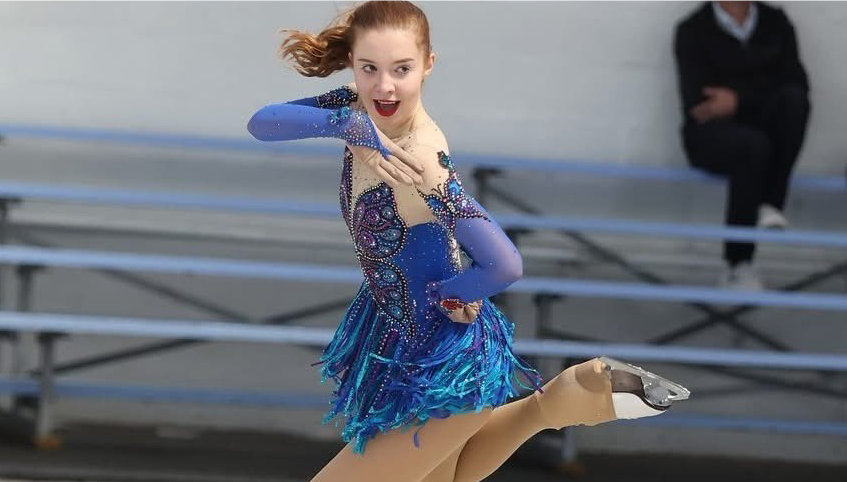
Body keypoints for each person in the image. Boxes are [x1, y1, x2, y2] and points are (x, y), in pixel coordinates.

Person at [248, 1, 690, 480]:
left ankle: (574, 397)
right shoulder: (356, 109)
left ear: (428, 64)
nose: (384, 86)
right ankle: (581, 393)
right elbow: (262, 123)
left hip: (441, 375)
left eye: (401, 69)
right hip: (403, 357)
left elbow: (505, 264)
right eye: (369, 68)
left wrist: (452, 295)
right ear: (352, 63)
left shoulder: (421, 162)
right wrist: (349, 126)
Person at [674, 0, 811, 290]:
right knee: (751, 145)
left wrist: (738, 99)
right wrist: (763, 88)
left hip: (763, 132)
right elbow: (699, 104)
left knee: (793, 101)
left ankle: (770, 204)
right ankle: (738, 264)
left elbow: (797, 83)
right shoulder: (692, 30)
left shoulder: (776, 23)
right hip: (709, 135)